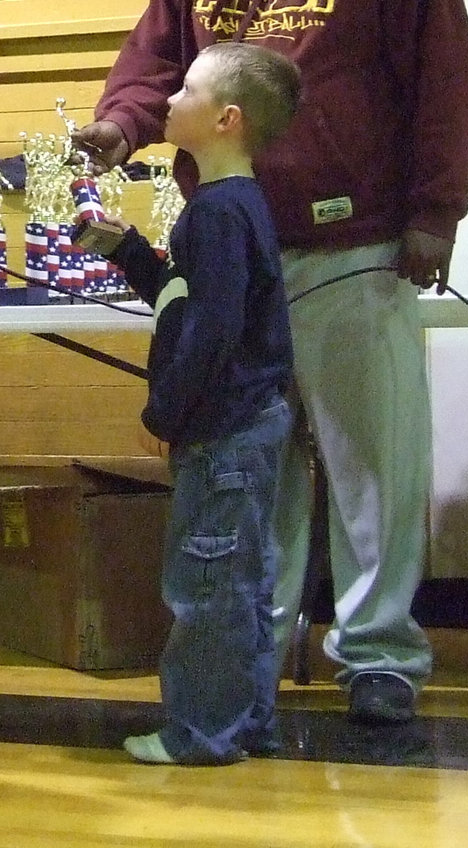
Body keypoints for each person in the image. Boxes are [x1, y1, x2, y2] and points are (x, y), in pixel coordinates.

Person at [72, 0, 468, 727]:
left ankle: (378, 652)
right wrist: (120, 126)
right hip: (233, 257)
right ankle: (249, 646)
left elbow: (445, 80)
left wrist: (435, 211)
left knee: (372, 461)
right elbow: (153, 63)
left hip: (355, 244)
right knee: (256, 465)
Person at [83, 42, 299, 765]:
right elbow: (187, 298)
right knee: (240, 583)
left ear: (225, 119)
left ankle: (198, 734)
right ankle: (245, 724)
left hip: (221, 432)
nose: (167, 101)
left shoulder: (216, 214)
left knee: (204, 587)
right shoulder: (225, 208)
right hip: (244, 425)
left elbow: (211, 332)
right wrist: (128, 251)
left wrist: (162, 414)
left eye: (186, 92)